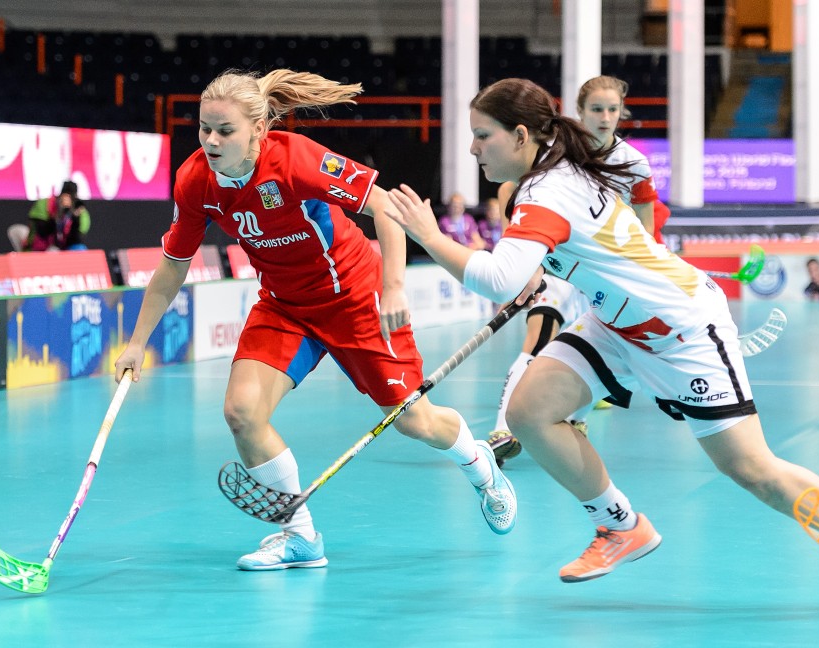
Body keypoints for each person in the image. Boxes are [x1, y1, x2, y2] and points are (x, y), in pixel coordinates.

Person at [386, 77, 819, 614]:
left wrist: (429, 234)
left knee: (751, 467)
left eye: (482, 135)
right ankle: (620, 527)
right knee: (528, 411)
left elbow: (498, 278)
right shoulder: (556, 172)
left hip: (680, 330)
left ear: (520, 135)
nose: (473, 148)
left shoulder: (546, 192)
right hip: (615, 324)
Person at [113, 69, 517, 572]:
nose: (211, 141)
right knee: (242, 412)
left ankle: (480, 466)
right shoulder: (195, 180)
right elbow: (174, 263)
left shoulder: (295, 159)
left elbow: (385, 207)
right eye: (204, 129)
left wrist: (393, 285)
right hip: (284, 305)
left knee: (415, 420)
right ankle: (300, 538)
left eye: (225, 131)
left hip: (354, 297)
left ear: (258, 130)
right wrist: (136, 343)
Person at [486, 76, 665, 465]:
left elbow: (646, 230)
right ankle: (502, 430)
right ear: (579, 112)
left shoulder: (634, 164)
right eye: (596, 109)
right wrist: (521, 253)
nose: (605, 117)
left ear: (622, 112)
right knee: (538, 340)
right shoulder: (558, 150)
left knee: (597, 351)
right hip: (559, 267)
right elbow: (509, 191)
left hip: (607, 278)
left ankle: (575, 420)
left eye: (612, 109)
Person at [26, 180, 91, 251]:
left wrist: (74, 217)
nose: (66, 201)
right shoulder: (45, 204)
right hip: (42, 246)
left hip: (66, 248)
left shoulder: (80, 211)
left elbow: (77, 239)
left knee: (80, 249)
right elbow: (42, 233)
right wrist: (57, 214)